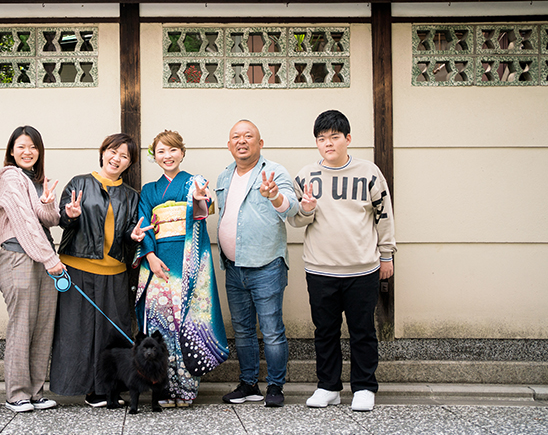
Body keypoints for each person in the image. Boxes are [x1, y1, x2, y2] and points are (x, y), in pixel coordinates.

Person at [288, 110, 396, 412]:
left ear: (347, 139)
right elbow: (296, 220)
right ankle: (328, 386)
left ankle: (363, 387)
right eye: (322, 139)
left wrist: (386, 254)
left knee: (363, 330)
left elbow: (384, 215)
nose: (328, 144)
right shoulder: (305, 176)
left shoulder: (369, 173)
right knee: (325, 331)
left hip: (363, 268)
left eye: (335, 137)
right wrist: (306, 208)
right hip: (320, 268)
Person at [133, 130, 229, 407]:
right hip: (159, 261)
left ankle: (186, 390)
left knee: (186, 323)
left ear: (182, 153)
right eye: (161, 151)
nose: (167, 156)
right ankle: (162, 389)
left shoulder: (194, 181)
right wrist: (149, 255)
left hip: (188, 261)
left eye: (173, 150)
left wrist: (200, 197)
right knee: (159, 325)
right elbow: (144, 223)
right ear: (155, 156)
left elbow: (203, 209)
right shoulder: (149, 190)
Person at [49, 133, 145, 407]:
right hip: (77, 268)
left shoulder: (131, 196)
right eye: (113, 151)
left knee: (110, 333)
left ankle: (103, 391)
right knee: (74, 330)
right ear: (103, 152)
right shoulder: (80, 183)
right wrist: (70, 214)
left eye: (124, 156)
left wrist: (134, 235)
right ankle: (74, 385)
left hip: (115, 271)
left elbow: (127, 232)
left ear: (130, 164)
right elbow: (64, 220)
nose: (117, 158)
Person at [217, 120, 300, 408]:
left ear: (260, 143)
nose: (242, 141)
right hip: (233, 267)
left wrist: (274, 195)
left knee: (272, 330)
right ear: (229, 145)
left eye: (248, 136)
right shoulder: (225, 176)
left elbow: (292, 208)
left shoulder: (274, 171)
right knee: (242, 330)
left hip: (266, 266)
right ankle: (249, 383)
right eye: (235, 137)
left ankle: (275, 386)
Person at [0, 125, 64, 413]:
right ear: (11, 150)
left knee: (43, 326)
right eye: (21, 146)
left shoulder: (36, 179)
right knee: (22, 325)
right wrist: (51, 259)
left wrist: (47, 202)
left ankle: (35, 392)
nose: (28, 151)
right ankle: (16, 394)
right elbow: (23, 223)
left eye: (33, 147)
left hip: (43, 256)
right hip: (19, 258)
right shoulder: (9, 176)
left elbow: (49, 220)